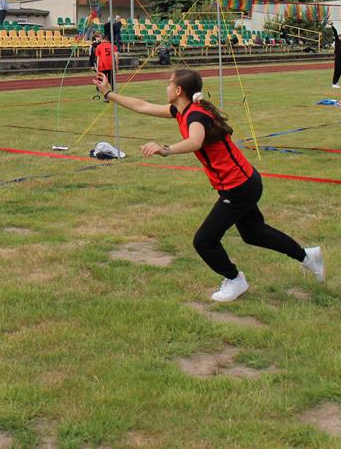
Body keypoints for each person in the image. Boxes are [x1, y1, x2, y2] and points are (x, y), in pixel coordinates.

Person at [93, 67, 324, 302]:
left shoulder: (195, 115)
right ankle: (307, 256)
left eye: (169, 83)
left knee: (204, 240)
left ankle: (235, 280)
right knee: (254, 233)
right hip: (244, 182)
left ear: (179, 90)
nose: (166, 87)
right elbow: (142, 106)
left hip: (239, 186)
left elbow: (195, 141)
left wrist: (166, 149)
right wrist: (108, 93)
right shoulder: (181, 110)